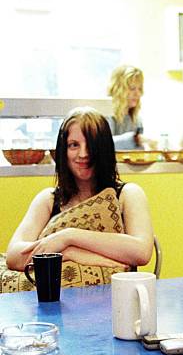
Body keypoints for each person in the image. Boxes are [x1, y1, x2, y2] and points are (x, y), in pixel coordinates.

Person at [6, 106, 154, 271]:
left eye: (91, 145)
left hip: (115, 294)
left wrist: (69, 236)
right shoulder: (48, 200)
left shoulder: (128, 194)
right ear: (64, 150)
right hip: (58, 296)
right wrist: (70, 253)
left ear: (103, 149)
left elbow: (142, 252)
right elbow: (13, 257)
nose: (83, 154)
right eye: (74, 145)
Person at [107, 65, 156, 150]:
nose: (138, 94)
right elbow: (102, 145)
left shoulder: (136, 120)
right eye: (132, 88)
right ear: (118, 89)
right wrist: (135, 139)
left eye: (140, 89)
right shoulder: (106, 115)